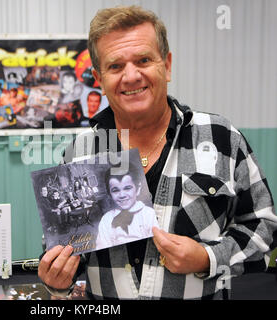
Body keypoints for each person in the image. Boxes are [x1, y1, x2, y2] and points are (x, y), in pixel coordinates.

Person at [38, 5, 277, 299]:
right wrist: (58, 279)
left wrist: (208, 258)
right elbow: (64, 250)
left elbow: (264, 227)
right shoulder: (79, 153)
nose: (131, 76)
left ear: (167, 64)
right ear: (98, 78)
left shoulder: (221, 138)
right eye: (115, 66)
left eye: (143, 60)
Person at [95, 164, 157, 250]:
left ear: (138, 189)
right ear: (109, 194)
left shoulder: (149, 214)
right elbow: (103, 246)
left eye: (127, 188)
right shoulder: (106, 220)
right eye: (115, 190)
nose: (122, 195)